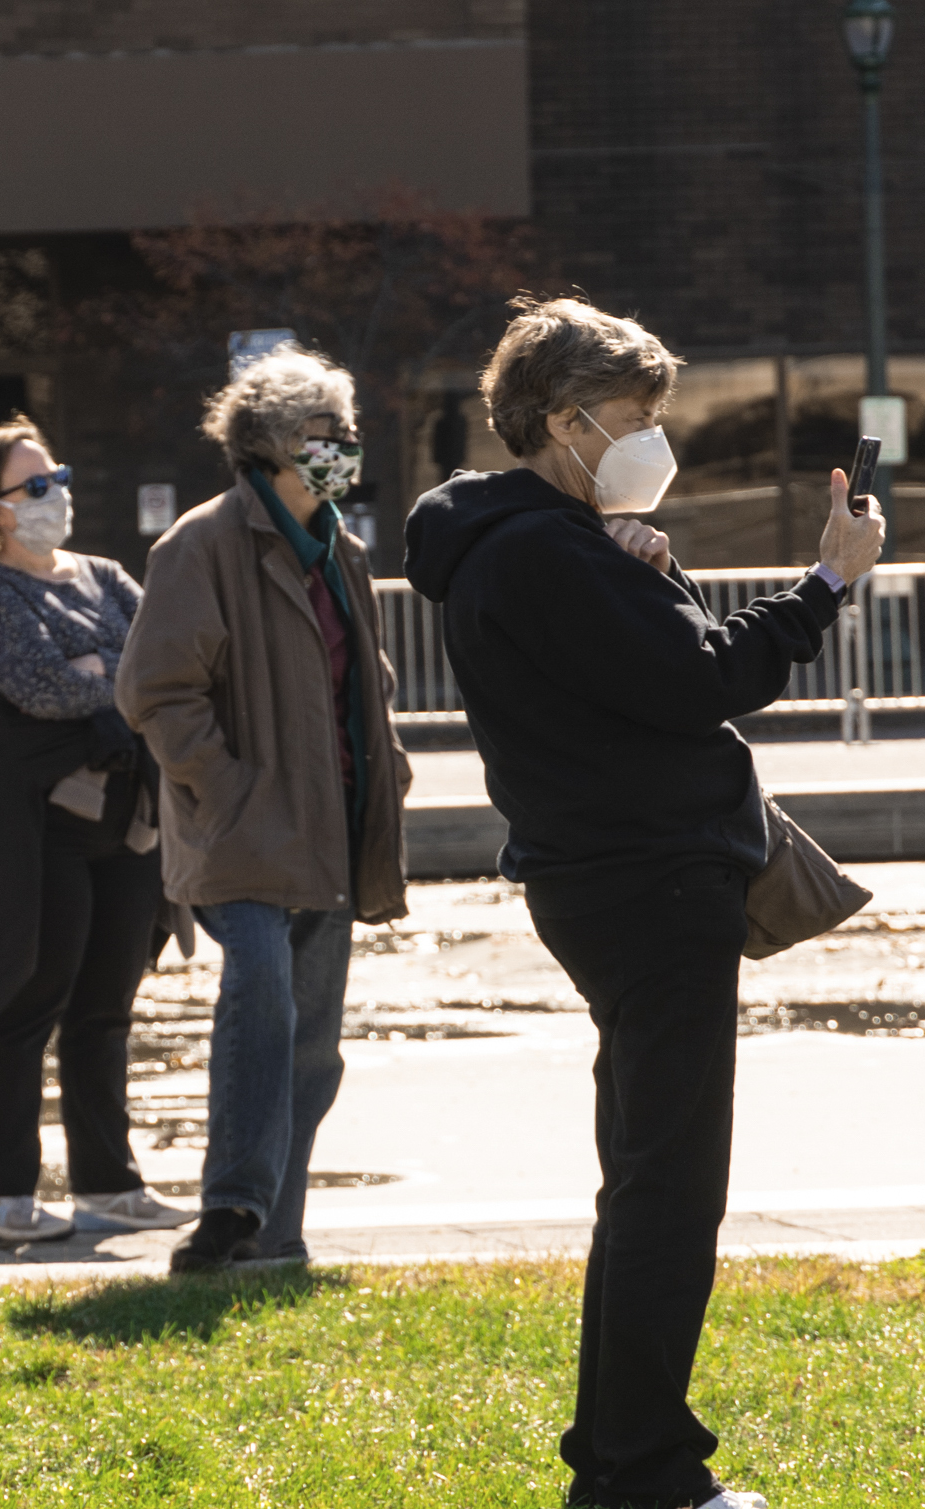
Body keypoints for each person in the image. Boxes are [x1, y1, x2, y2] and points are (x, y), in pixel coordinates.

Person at [402, 298, 883, 1509]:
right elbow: (701, 681)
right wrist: (827, 578)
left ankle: (624, 1463)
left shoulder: (542, 539)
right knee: (670, 1189)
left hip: (612, 879)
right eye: (634, 416)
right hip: (646, 883)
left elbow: (650, 673)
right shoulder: (542, 551)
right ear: (561, 419)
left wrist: (641, 558)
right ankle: (645, 1474)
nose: (651, 437)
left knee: (649, 1183)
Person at [116, 348, 411, 1273]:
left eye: (346, 434)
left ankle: (275, 1234)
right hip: (241, 833)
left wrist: (387, 770)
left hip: (333, 830)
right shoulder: (199, 543)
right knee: (262, 1000)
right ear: (275, 445)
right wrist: (227, 786)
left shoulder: (341, 550)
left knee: (312, 1043)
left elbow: (363, 679)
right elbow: (156, 690)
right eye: (327, 435)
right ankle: (232, 1209)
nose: (346, 450)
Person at [0, 419, 190, 1246]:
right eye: (35, 485)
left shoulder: (104, 574)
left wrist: (99, 672)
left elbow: (162, 663)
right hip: (35, 829)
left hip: (124, 825)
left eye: (57, 474)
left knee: (105, 1010)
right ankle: (1, 1194)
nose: (57, 493)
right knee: (23, 1005)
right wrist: (103, 675)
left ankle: (108, 1183)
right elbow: (40, 688)